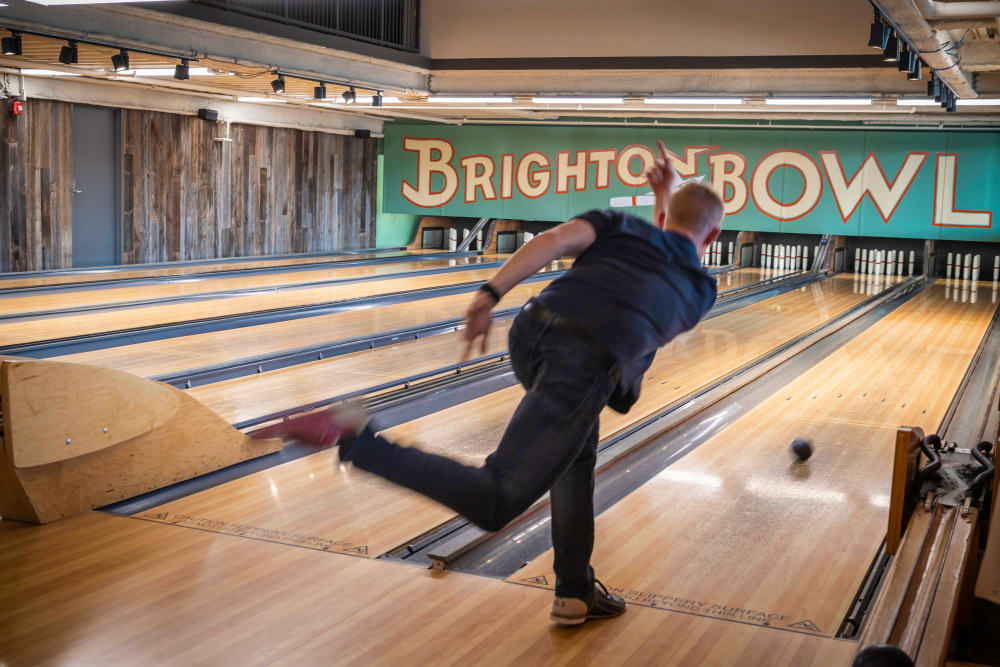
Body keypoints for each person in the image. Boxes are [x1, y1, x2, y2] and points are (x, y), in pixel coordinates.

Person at [256, 140, 724, 625]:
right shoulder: (701, 288)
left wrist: (487, 294)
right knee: (497, 498)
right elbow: (673, 255)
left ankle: (575, 589)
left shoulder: (620, 225)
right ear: (715, 235)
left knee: (575, 452)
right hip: (582, 364)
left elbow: (557, 241)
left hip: (531, 329)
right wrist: (668, 201)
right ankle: (358, 437)